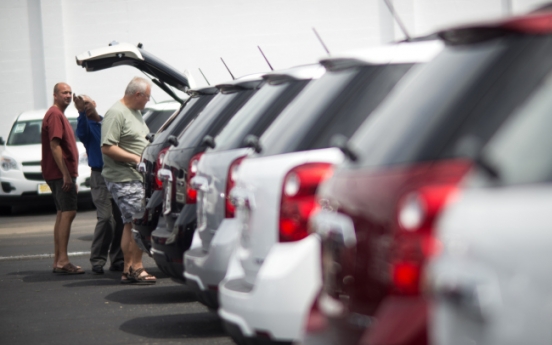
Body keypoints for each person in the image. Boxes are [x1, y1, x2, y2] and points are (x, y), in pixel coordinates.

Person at [101, 77, 156, 284]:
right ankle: (137, 268)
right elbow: (107, 147)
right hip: (124, 177)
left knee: (129, 223)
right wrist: (135, 158)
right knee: (138, 222)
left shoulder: (135, 112)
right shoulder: (116, 113)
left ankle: (127, 269)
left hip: (135, 177)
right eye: (147, 97)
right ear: (138, 95)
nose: (148, 101)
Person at [74, 94, 124, 274]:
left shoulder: (108, 122)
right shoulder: (86, 127)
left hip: (118, 174)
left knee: (121, 219)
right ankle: (97, 260)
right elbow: (81, 132)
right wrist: (80, 112)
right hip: (100, 176)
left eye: (87, 103)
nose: (85, 106)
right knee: (105, 219)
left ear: (95, 103)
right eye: (81, 105)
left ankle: (118, 259)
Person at [41, 82, 84, 274]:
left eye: (70, 93)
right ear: (55, 95)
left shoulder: (57, 114)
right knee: (68, 212)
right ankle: (63, 261)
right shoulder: (56, 115)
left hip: (59, 173)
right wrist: (66, 174)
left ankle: (58, 259)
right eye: (64, 93)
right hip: (60, 174)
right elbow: (54, 145)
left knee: (62, 213)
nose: (68, 95)